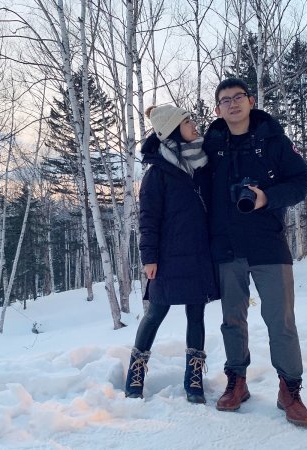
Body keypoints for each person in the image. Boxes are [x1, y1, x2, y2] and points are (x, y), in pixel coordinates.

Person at [203, 78, 307, 427]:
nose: (232, 104)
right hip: (227, 246)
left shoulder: (273, 140)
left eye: (238, 97)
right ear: (218, 109)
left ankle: (290, 389)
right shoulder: (211, 145)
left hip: (269, 243)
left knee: (281, 320)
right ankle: (237, 381)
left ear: (251, 101)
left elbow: (302, 181)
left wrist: (268, 198)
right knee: (232, 319)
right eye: (225, 100)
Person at [124, 104, 218, 404]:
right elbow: (148, 218)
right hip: (167, 257)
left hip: (200, 254)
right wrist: (149, 257)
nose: (194, 124)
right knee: (155, 313)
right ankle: (135, 375)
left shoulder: (203, 164)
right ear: (174, 131)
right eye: (187, 121)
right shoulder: (157, 174)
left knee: (197, 314)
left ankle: (194, 379)